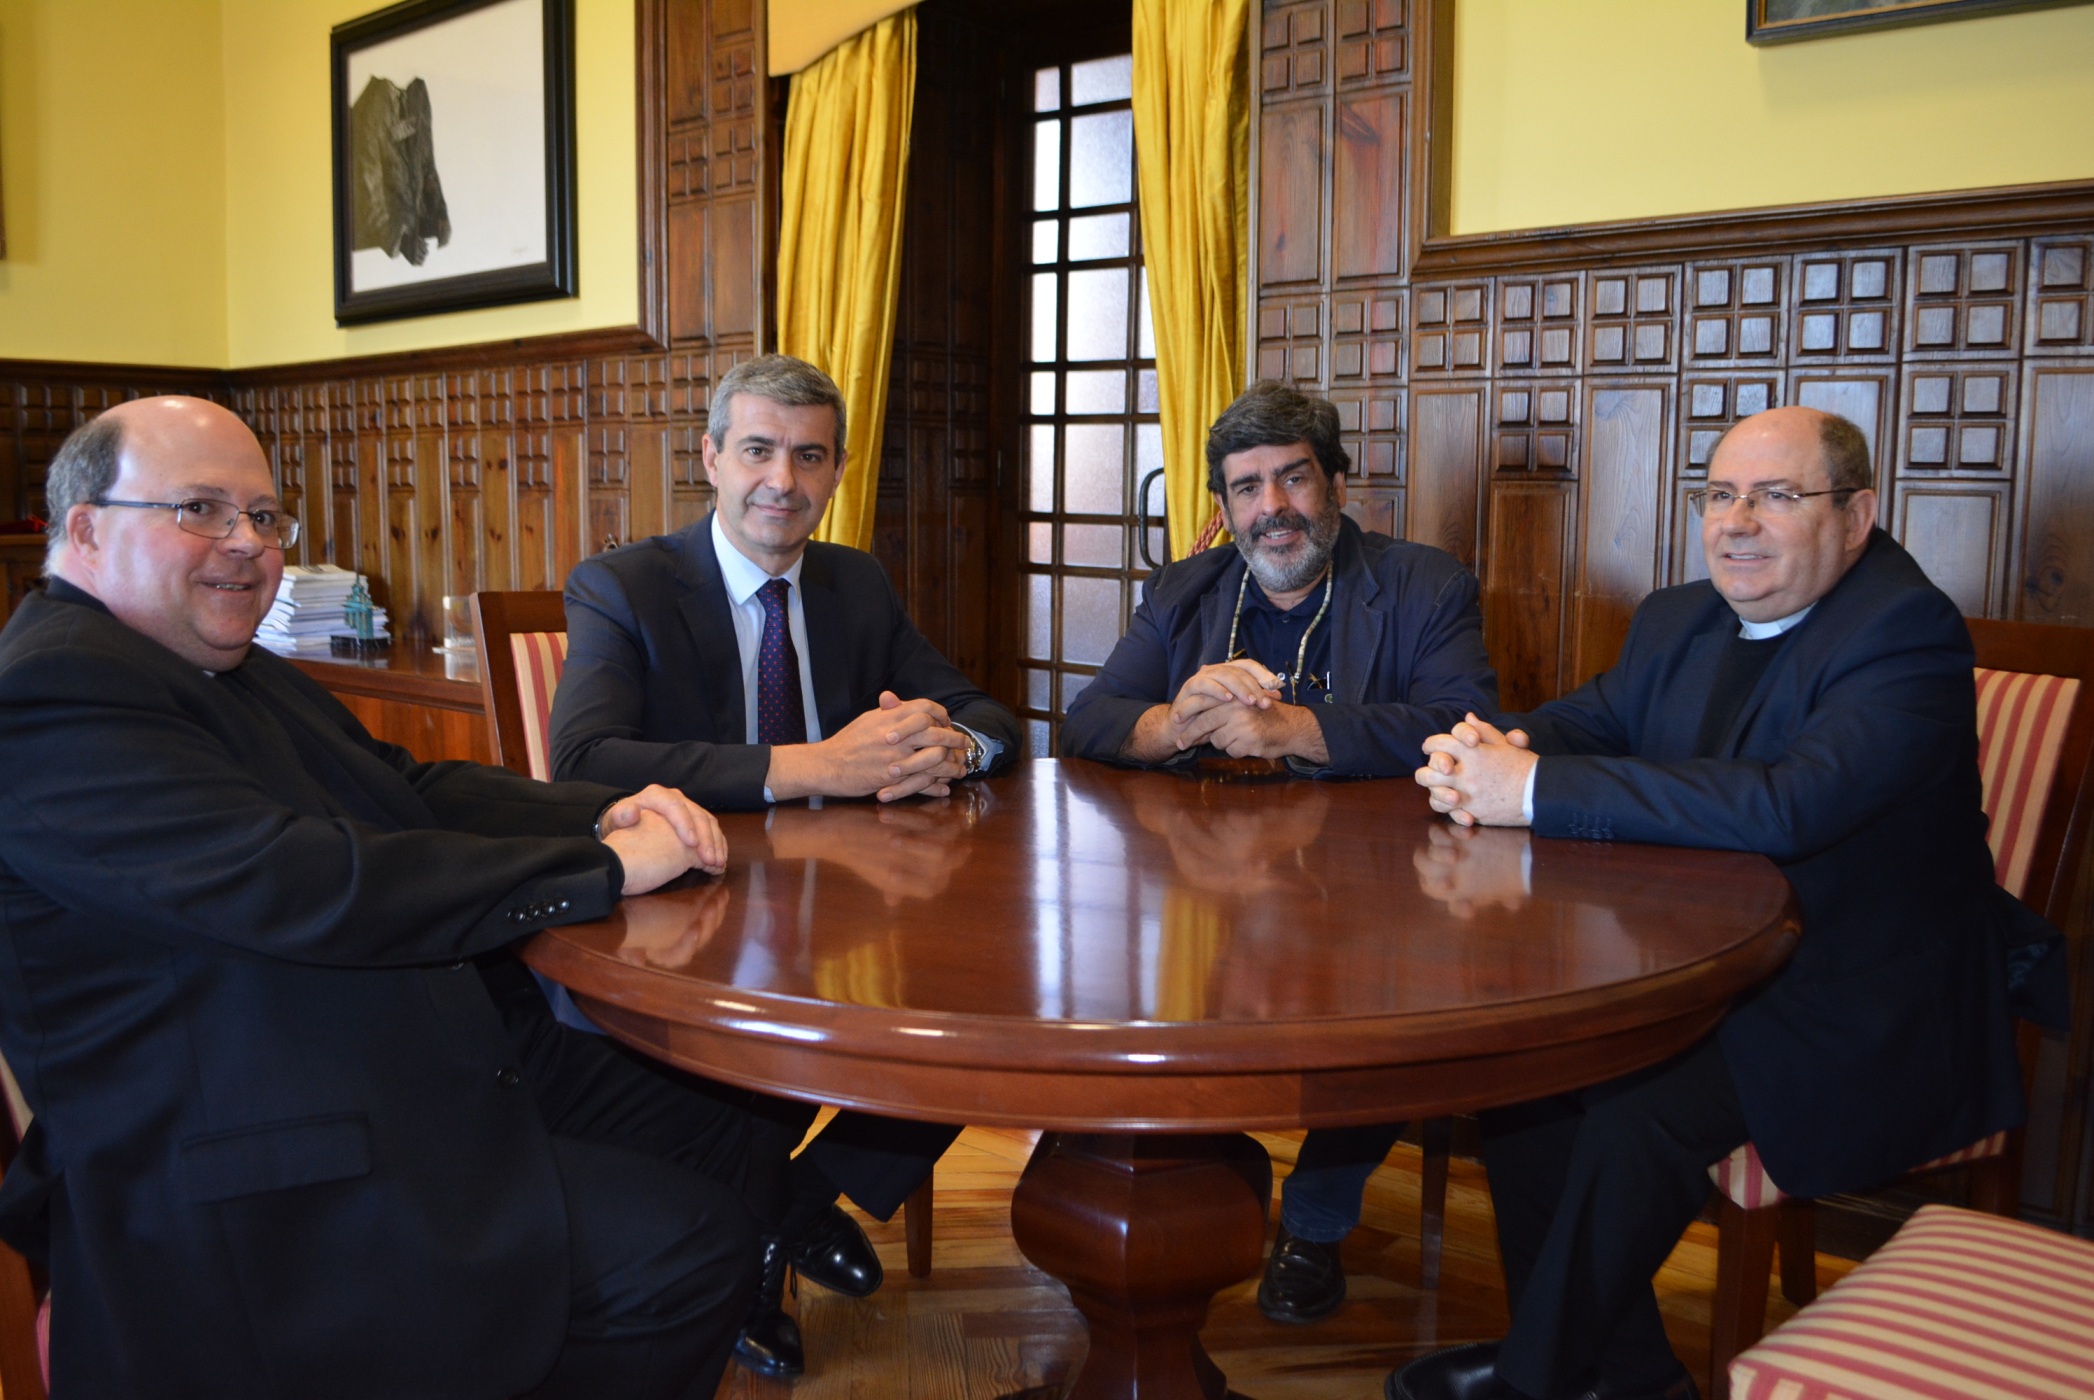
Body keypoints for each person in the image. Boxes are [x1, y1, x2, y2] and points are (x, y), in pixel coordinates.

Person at [0, 398, 762, 1399]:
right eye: (202, 509)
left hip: (380, 1043)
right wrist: (610, 873)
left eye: (266, 517)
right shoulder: (55, 688)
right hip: (248, 1153)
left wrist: (605, 812)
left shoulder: (211, 660)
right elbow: (299, 878)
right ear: (87, 526)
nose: (247, 545)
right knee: (685, 1248)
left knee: (721, 1097)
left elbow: (408, 788)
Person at [1395, 406, 2047, 1400]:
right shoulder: (1679, 615)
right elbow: (1592, 720)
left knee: (1634, 1107)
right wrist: (1492, 747)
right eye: (1720, 494)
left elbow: (1789, 803)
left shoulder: (1905, 632)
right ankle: (1615, 1371)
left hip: (1860, 994)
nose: (1737, 521)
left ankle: (1535, 1381)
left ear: (1857, 513)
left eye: (1777, 495)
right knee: (1522, 1082)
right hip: (1707, 962)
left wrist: (1528, 793)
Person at [550, 353, 1022, 1375]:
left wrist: (949, 744)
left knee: (984, 1007)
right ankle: (745, 1266)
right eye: (759, 449)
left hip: (848, 900)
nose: (783, 480)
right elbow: (584, 760)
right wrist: (814, 766)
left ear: (837, 470)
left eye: (810, 457)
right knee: (755, 1034)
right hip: (689, 906)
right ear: (711, 457)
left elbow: (990, 714)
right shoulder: (626, 583)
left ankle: (796, 1209)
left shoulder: (854, 581)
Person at [1062, 380, 1499, 1324]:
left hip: (1379, 895)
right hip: (1206, 888)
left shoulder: (1425, 585)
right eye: (1248, 489)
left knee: (1393, 1021)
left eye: (1293, 478)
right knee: (1120, 995)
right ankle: (1179, 1183)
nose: (1274, 509)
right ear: (1224, 510)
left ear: (1336, 483)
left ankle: (1316, 1220)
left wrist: (1301, 729)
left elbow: (1467, 727)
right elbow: (1088, 718)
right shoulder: (1187, 589)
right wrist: (1168, 721)